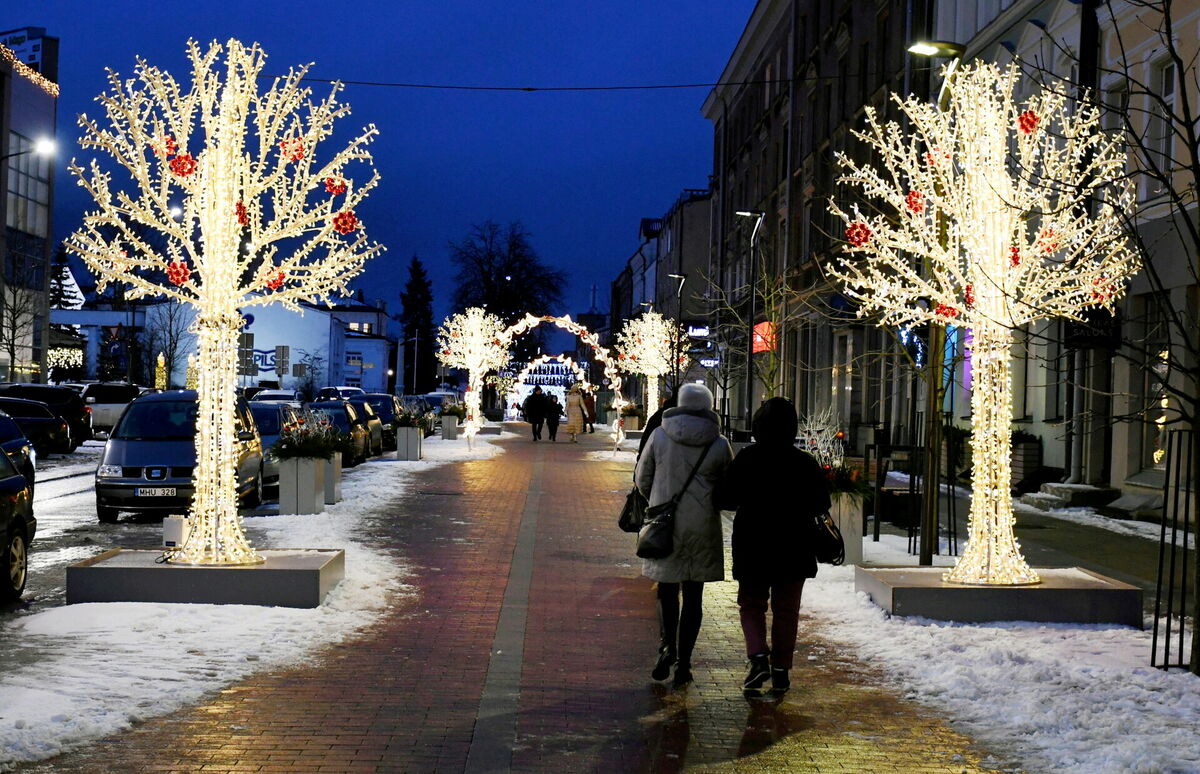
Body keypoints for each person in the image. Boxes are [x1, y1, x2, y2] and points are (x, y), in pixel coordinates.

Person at [716, 397, 831, 697]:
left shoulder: (747, 459)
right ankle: (781, 670)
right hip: (794, 546)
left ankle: (757, 657)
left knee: (751, 604)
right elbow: (822, 503)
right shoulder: (805, 463)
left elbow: (726, 499)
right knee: (786, 611)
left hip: (753, 544)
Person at [634, 383, 733, 687]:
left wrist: (658, 502)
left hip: (667, 523)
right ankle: (685, 664)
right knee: (693, 596)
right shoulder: (718, 443)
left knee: (666, 589)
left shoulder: (660, 435)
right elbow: (728, 488)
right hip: (702, 525)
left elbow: (642, 477)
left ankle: (667, 647)